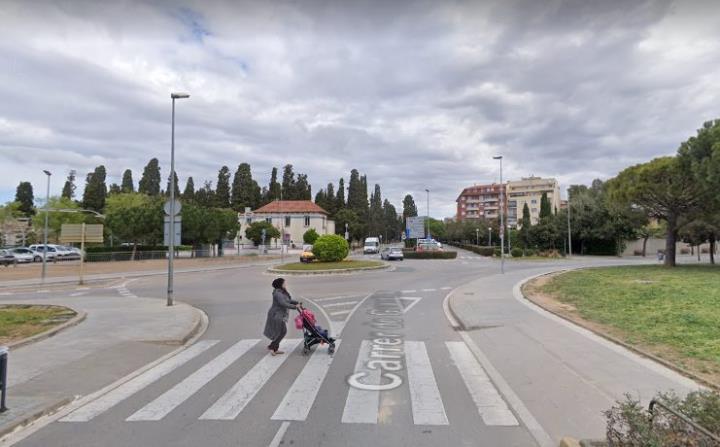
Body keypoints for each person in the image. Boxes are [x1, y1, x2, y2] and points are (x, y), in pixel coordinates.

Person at [263, 278, 300, 355]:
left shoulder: (282, 292)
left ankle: (274, 347)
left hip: (280, 314)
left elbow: (288, 300)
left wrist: (296, 302)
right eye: (284, 283)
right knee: (282, 331)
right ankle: (272, 347)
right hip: (276, 315)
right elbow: (283, 303)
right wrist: (295, 307)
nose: (285, 284)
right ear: (280, 285)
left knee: (281, 332)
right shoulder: (278, 294)